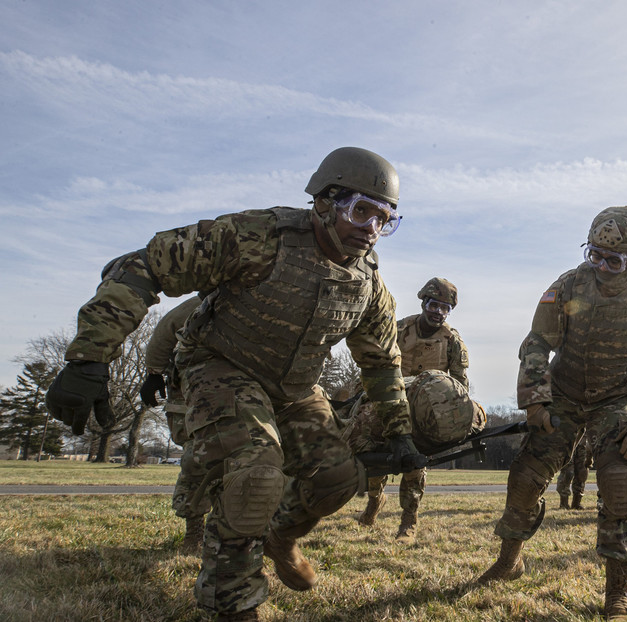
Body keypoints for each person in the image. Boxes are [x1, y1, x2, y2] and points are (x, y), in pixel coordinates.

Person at [45, 147, 423, 622]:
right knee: (256, 477)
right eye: (360, 210)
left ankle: (280, 539)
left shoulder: (369, 287)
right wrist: (90, 359)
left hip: (295, 389)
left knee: (339, 479)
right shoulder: (257, 237)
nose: (370, 229)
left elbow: (383, 364)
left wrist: (400, 431)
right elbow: (145, 265)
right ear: (324, 203)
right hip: (221, 366)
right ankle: (234, 605)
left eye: (384, 219)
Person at [476, 206, 627, 620]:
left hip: (616, 398)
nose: (603, 267)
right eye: (595, 256)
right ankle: (510, 560)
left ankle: (618, 594)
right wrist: (536, 399)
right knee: (525, 476)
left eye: (615, 260)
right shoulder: (570, 284)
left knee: (621, 477)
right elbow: (537, 342)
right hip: (565, 394)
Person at [355, 277, 469, 543]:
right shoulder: (398, 330)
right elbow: (375, 364)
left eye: (444, 308)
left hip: (424, 415)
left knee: (415, 464)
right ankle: (375, 501)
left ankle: (409, 521)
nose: (438, 312)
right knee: (376, 457)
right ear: (423, 303)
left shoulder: (452, 342)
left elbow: (458, 388)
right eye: (433, 305)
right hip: (390, 406)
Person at [139, 295, 207, 553]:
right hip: (191, 393)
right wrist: (154, 373)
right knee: (196, 458)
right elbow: (166, 329)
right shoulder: (208, 299)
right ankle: (194, 533)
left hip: (241, 392)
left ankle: (231, 532)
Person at [556, 425, 598, 509]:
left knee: (582, 472)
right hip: (568, 437)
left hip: (584, 441)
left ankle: (576, 503)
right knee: (568, 472)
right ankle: (563, 504)